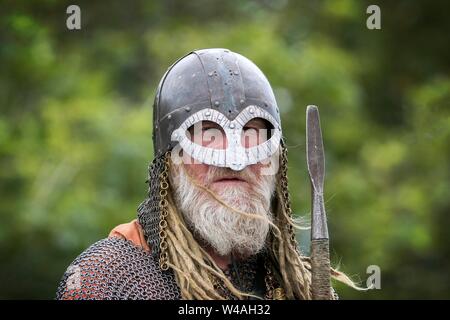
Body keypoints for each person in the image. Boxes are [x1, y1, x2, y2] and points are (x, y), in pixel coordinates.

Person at [56, 48, 350, 300]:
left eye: (251, 133)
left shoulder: (299, 286)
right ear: (169, 162)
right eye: (208, 133)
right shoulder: (109, 277)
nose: (234, 160)